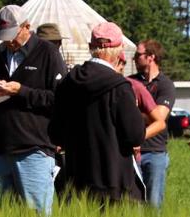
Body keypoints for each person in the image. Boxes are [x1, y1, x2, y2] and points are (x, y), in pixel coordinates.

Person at [49, 21, 146, 204]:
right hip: (114, 184)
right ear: (119, 50)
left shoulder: (67, 83)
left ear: (90, 47)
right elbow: (135, 136)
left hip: (76, 183)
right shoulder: (120, 87)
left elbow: (55, 134)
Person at [0, 4, 67, 216]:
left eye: (12, 35)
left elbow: (59, 99)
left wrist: (21, 91)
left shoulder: (48, 53)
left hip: (34, 148)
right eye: (3, 36)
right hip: (0, 147)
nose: (8, 41)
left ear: (26, 27)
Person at [131, 39, 176, 208]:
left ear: (151, 57)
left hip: (154, 152)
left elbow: (159, 118)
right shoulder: (130, 82)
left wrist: (134, 112)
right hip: (130, 152)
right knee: (131, 203)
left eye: (138, 55)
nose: (134, 59)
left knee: (153, 204)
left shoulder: (166, 85)